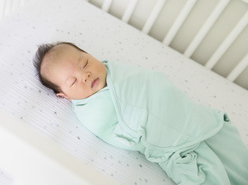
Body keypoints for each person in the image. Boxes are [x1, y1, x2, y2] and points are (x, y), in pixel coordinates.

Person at [33, 42, 248, 185]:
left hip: (195, 117)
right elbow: (123, 134)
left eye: (85, 63)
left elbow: (153, 83)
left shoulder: (116, 70)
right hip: (173, 147)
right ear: (65, 96)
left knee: (237, 159)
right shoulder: (90, 110)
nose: (85, 74)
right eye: (73, 81)